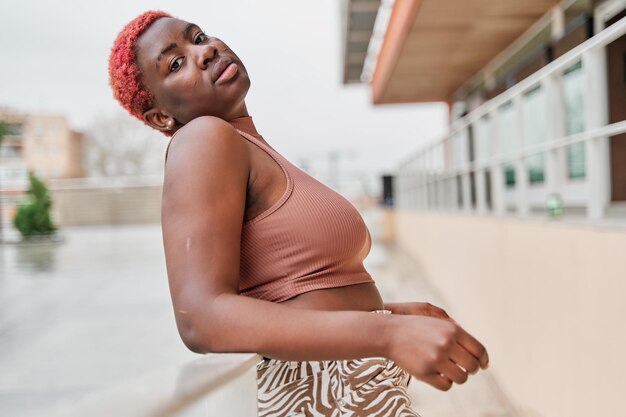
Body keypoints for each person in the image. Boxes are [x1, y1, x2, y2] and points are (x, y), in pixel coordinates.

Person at [108, 10, 489, 417]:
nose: (204, 52)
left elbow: (287, 291)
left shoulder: (248, 147)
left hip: (350, 388)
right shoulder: (203, 138)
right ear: (161, 117)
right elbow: (201, 317)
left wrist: (389, 314)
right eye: (176, 63)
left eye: (198, 37)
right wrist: (387, 332)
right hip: (318, 396)